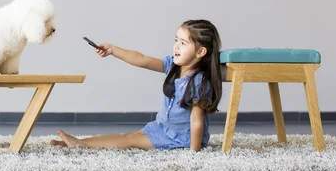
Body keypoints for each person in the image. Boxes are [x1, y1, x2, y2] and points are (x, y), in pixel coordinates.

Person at [50, 19, 222, 151]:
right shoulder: (173, 66)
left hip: (180, 138)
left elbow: (196, 120)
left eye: (183, 43)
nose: (176, 46)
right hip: (162, 127)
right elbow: (142, 60)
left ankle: (80, 144)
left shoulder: (198, 82)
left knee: (129, 140)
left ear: (200, 52)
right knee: (130, 135)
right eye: (176, 40)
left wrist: (194, 151)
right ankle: (80, 143)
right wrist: (113, 50)